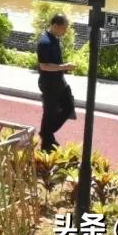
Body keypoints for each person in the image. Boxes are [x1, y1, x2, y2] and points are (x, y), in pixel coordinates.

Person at [37, 13, 77, 153]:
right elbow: (44, 66)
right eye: (64, 28)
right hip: (49, 84)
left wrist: (63, 70)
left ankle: (46, 134)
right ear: (55, 26)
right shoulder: (45, 42)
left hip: (59, 82)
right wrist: (65, 67)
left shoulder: (55, 39)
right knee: (49, 113)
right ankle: (47, 142)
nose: (65, 31)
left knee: (68, 105)